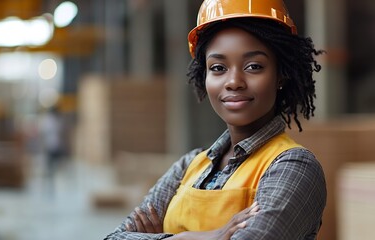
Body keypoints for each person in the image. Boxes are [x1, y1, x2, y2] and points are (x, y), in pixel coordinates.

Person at [105, 0, 327, 239]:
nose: (233, 81)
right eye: (218, 68)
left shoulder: (294, 167)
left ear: (280, 75)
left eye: (253, 66)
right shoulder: (189, 166)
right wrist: (208, 236)